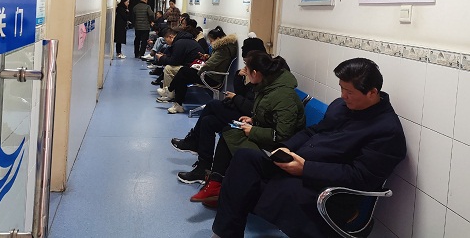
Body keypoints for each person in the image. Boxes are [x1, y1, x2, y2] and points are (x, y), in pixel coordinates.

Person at [211, 58, 407, 238]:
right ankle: (225, 234)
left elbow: (359, 177)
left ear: (372, 92)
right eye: (341, 88)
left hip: (329, 188)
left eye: (349, 92)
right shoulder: (341, 106)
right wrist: (286, 148)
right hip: (299, 165)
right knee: (245, 159)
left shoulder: (387, 131)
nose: (343, 96)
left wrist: (306, 169)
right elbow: (313, 131)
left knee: (278, 190)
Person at [182, 51, 306, 204]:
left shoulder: (283, 95)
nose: (245, 72)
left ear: (255, 73)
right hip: (269, 138)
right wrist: (253, 119)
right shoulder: (269, 86)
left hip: (280, 149)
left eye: (247, 70)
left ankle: (216, 183)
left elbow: (283, 135)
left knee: (229, 134)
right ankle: (215, 182)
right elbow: (269, 114)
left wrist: (253, 130)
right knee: (225, 130)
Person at [170, 35, 268, 183]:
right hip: (245, 112)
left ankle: (194, 141)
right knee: (208, 122)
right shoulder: (258, 72)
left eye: (247, 64)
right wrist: (238, 78)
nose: (246, 68)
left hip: (252, 120)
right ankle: (203, 168)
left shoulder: (265, 78)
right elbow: (246, 96)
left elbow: (254, 108)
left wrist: (235, 98)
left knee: (213, 105)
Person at [158, 26, 237, 114]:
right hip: (210, 74)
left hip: (212, 78)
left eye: (211, 41)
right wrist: (207, 57)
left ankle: (171, 93)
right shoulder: (223, 48)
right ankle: (174, 98)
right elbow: (215, 61)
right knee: (183, 74)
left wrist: (198, 69)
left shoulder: (222, 50)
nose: (210, 43)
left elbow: (210, 65)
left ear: (218, 39)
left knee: (184, 72)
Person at [154, 28, 202, 98]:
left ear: (170, 37)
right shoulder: (184, 41)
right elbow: (177, 58)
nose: (166, 42)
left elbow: (174, 61)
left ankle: (168, 93)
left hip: (193, 69)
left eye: (166, 39)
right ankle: (169, 90)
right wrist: (165, 57)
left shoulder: (179, 43)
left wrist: (161, 58)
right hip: (194, 66)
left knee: (169, 68)